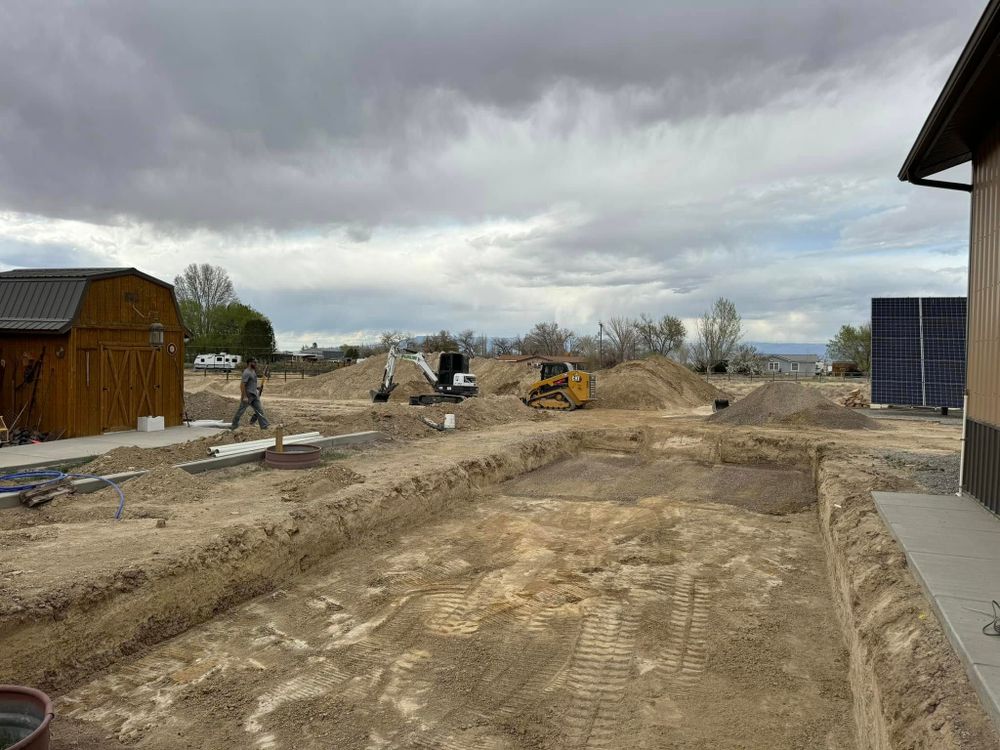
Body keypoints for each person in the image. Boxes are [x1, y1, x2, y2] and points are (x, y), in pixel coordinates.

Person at [232, 357, 269, 430]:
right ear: (250, 363)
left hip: (254, 395)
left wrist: (257, 388)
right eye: (254, 362)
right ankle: (234, 425)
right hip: (248, 396)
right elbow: (242, 385)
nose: (256, 364)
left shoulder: (253, 371)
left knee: (260, 410)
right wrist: (244, 396)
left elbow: (251, 384)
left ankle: (264, 426)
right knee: (240, 411)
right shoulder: (247, 372)